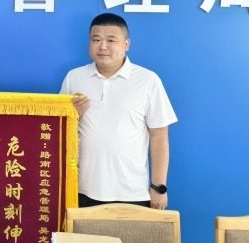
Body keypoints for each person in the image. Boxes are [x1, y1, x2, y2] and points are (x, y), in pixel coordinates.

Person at [60, 13, 177, 209]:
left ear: (126, 44)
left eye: (111, 40)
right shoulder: (74, 78)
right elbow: (60, 131)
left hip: (131, 190)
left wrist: (159, 187)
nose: (102, 46)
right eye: (96, 39)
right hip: (82, 188)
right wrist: (72, 115)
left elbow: (159, 135)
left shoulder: (148, 80)